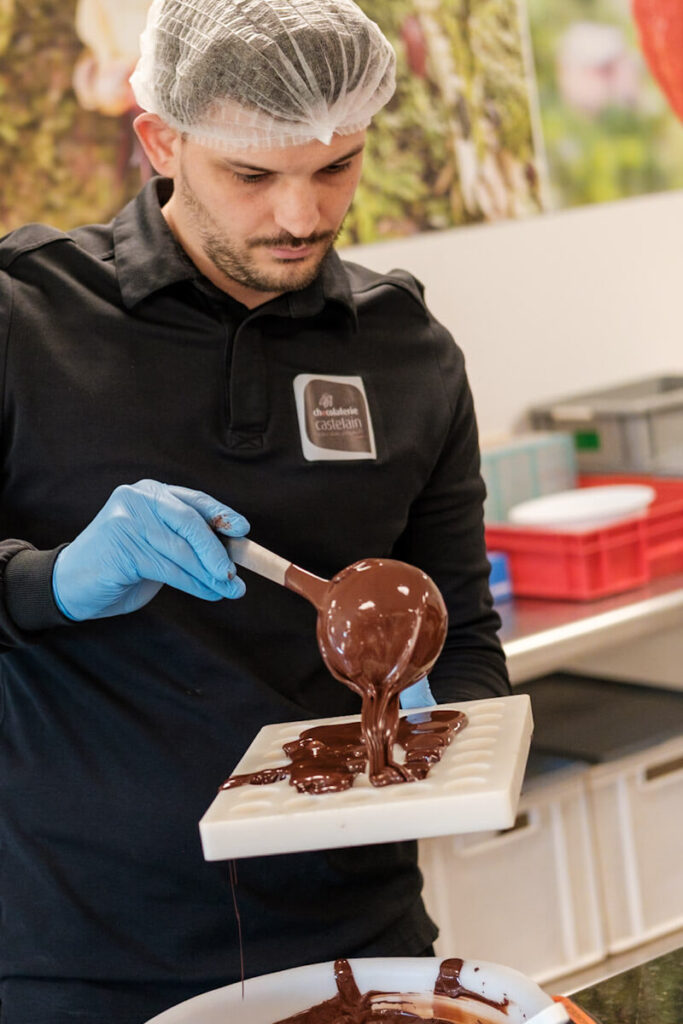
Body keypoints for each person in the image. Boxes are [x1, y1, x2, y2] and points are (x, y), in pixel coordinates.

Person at [0, 1, 510, 1021]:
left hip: (361, 942)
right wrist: (49, 579)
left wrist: (460, 734)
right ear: (162, 141)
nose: (299, 217)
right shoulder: (25, 317)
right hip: (74, 955)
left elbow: (460, 620)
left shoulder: (406, 351)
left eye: (334, 168)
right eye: (252, 175)